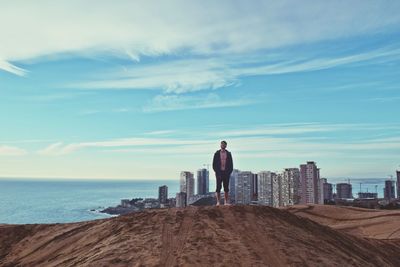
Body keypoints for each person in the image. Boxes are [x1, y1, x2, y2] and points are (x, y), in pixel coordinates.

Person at [212, 140, 233, 206]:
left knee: (226, 188)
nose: (223, 145)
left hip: (226, 173)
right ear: (220, 145)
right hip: (219, 173)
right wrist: (217, 172)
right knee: (218, 187)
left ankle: (226, 202)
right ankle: (218, 202)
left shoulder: (229, 153)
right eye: (222, 144)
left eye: (224, 144)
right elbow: (214, 164)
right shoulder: (217, 153)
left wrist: (229, 172)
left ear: (226, 145)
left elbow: (231, 164)